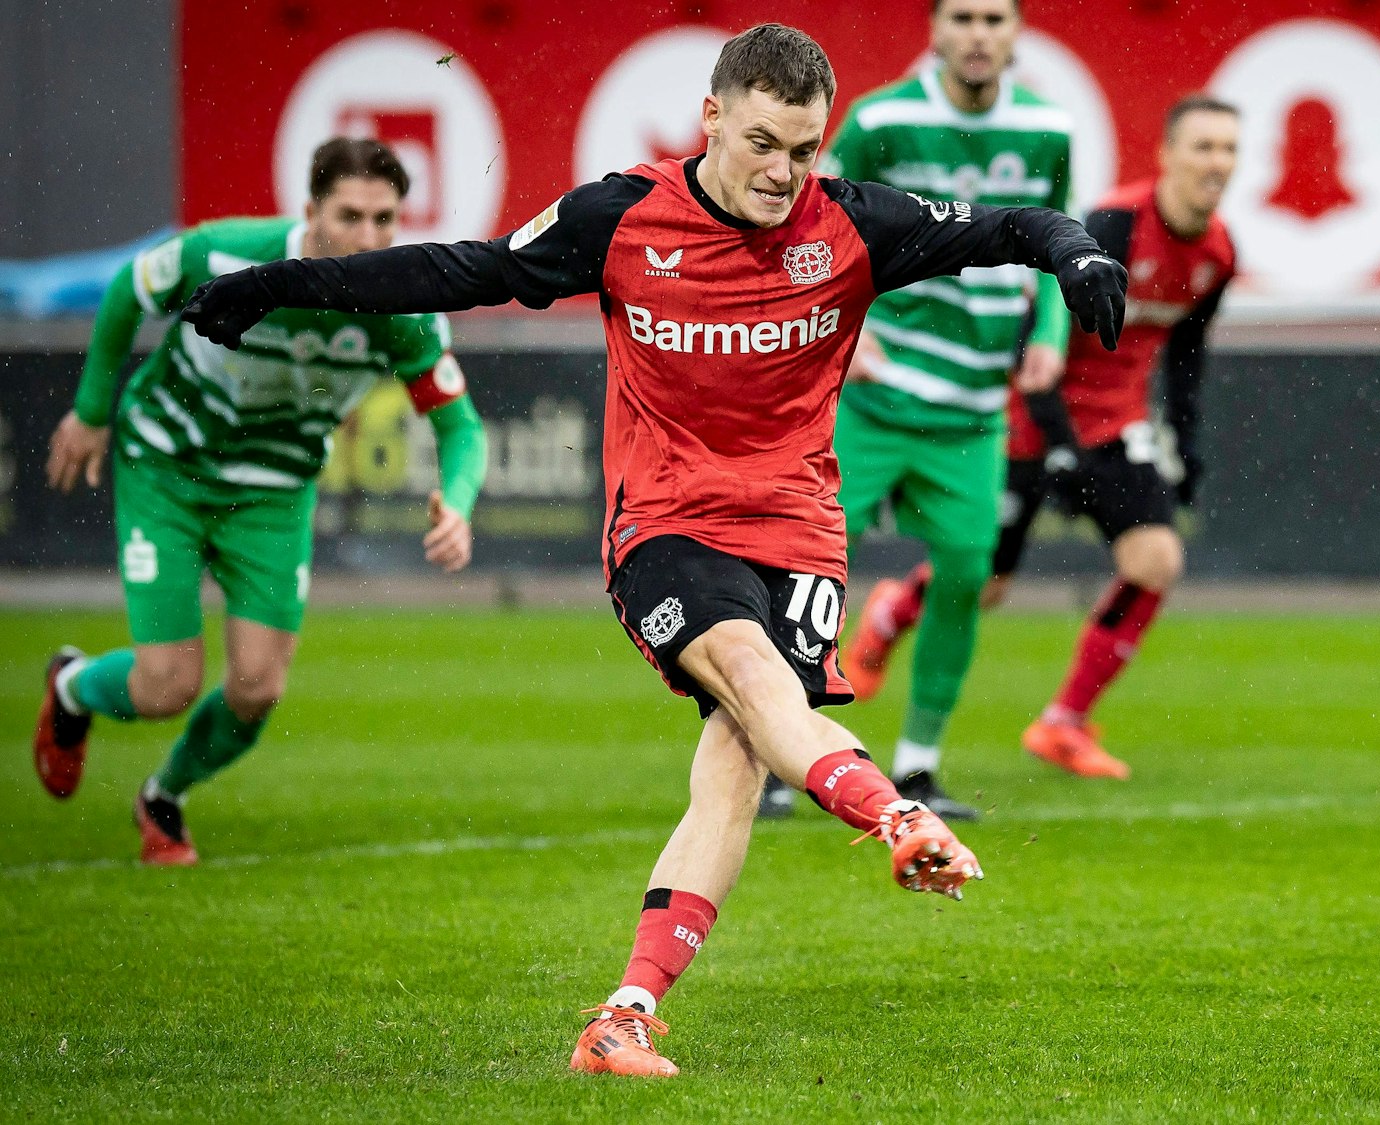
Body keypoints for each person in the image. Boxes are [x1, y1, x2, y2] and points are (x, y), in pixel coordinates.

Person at [176, 23, 1126, 1078]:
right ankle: (890, 812)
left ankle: (622, 1015)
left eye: (805, 150)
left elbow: (1016, 222)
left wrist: (1076, 255)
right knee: (757, 683)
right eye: (764, 143)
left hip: (800, 529)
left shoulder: (853, 225)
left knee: (732, 767)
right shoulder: (621, 216)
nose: (784, 173)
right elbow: (466, 269)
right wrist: (280, 283)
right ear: (711, 118)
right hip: (666, 522)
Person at [33, 137, 488, 866]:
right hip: (169, 471)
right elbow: (127, 290)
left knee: (255, 688)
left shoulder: (402, 306)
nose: (369, 238)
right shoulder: (222, 255)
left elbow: (459, 426)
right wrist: (91, 411)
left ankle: (163, 796)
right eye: (350, 216)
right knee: (166, 684)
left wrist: (458, 501)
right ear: (308, 212)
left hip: (274, 495)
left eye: (384, 220)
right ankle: (74, 687)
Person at [865, 94, 1237, 780]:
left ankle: (1063, 722)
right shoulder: (1116, 224)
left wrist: (1186, 445)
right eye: (1203, 146)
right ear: (1167, 155)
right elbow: (1034, 327)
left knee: (1156, 561)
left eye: (1229, 149)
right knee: (988, 583)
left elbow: (1187, 359)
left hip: (1116, 423)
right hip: (1035, 414)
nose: (1217, 162)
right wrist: (1059, 442)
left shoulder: (1217, 253)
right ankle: (894, 610)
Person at [787, 0, 1075, 822]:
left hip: (975, 412)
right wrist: (849, 328)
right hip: (874, 398)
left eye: (994, 18)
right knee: (805, 577)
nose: (979, 34)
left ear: (1016, 31)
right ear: (936, 30)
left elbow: (1056, 241)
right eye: (963, 17)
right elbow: (811, 221)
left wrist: (1050, 330)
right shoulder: (882, 119)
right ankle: (786, 753)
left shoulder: (1049, 128)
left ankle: (916, 768)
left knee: (964, 580)